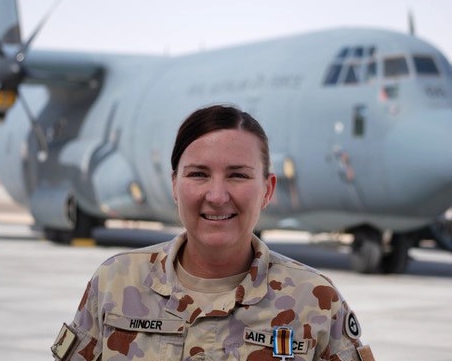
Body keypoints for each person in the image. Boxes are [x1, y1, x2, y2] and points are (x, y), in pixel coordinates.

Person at [51, 104, 375, 361]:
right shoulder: (115, 284)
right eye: (198, 174)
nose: (217, 195)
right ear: (175, 185)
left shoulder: (316, 302)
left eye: (238, 175)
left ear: (267, 189)